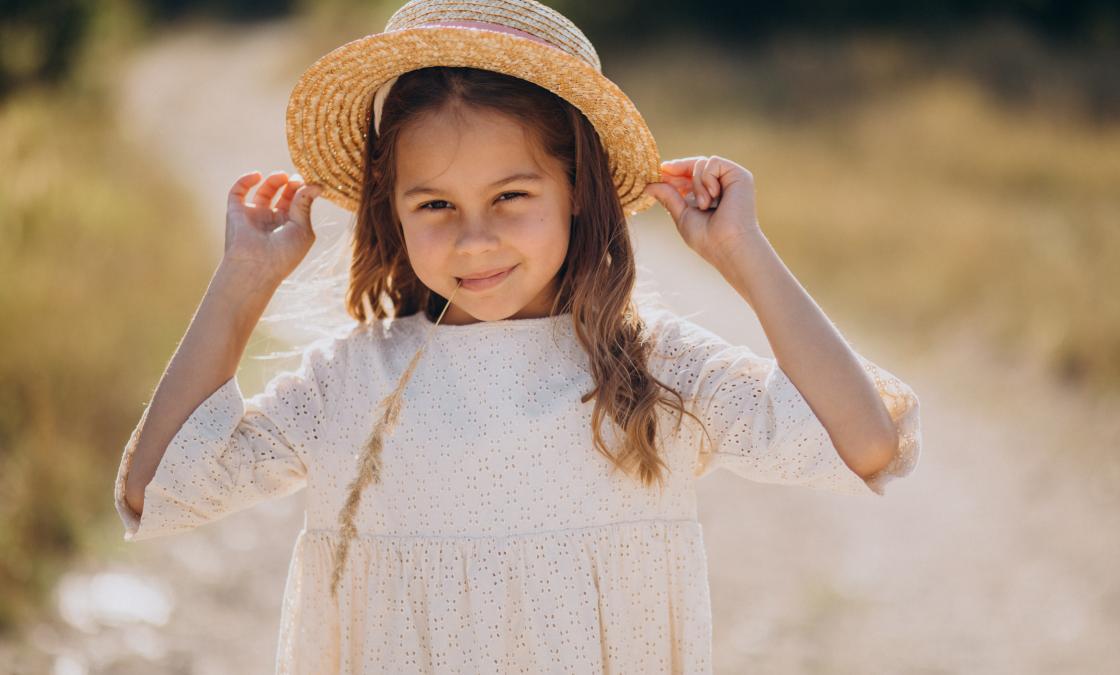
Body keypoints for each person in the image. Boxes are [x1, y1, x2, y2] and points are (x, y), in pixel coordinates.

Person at [113, 0, 923, 671]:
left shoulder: (651, 367)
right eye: (435, 204)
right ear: (392, 210)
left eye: (510, 196)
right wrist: (243, 280)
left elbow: (866, 444)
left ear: (578, 189)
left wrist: (742, 253)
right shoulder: (351, 383)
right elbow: (159, 489)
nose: (475, 240)